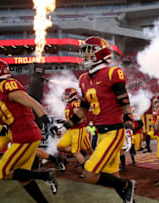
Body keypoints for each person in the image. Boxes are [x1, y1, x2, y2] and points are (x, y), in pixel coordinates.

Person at [58, 36, 136, 203]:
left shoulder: (112, 73)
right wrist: (66, 125)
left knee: (90, 173)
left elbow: (125, 103)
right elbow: (83, 109)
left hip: (114, 132)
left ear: (101, 53)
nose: (84, 55)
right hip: (100, 134)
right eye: (84, 52)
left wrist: (129, 127)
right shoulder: (84, 79)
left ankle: (127, 186)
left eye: (89, 51)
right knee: (113, 175)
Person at [0, 58, 58, 202]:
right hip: (21, 135)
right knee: (23, 177)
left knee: (2, 172)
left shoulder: (7, 85)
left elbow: (33, 103)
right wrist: (6, 125)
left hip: (26, 135)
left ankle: (46, 175)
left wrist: (46, 120)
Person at [57, 87, 92, 178]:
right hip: (70, 130)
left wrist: (66, 123)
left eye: (67, 94)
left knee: (78, 151)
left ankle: (87, 171)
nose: (65, 96)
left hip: (77, 130)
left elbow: (79, 119)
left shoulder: (75, 103)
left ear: (72, 95)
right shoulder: (70, 104)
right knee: (60, 146)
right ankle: (79, 150)